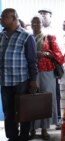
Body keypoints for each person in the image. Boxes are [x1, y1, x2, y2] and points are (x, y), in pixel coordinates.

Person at [0, 8, 38, 141]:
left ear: (14, 18)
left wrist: (33, 80)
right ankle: (12, 137)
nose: (1, 20)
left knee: (23, 111)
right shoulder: (1, 35)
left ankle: (23, 137)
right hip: (4, 81)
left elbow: (32, 61)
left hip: (21, 81)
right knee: (8, 112)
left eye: (4, 17)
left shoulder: (27, 36)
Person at [29, 15, 65, 140]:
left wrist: (44, 54)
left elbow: (59, 56)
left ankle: (44, 129)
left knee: (46, 100)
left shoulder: (48, 38)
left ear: (41, 24)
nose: (35, 25)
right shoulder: (27, 37)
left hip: (47, 72)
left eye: (37, 22)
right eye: (33, 23)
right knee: (31, 101)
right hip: (31, 73)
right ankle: (31, 129)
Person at [38, 8, 62, 128]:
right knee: (35, 99)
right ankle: (34, 128)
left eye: (45, 14)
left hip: (49, 69)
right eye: (41, 14)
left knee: (51, 96)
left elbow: (58, 53)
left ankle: (50, 125)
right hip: (35, 71)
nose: (43, 16)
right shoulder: (31, 32)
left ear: (51, 16)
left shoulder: (53, 32)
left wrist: (47, 54)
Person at [57, 18, 65, 130]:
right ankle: (63, 120)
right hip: (63, 72)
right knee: (63, 98)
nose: (63, 24)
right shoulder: (63, 37)